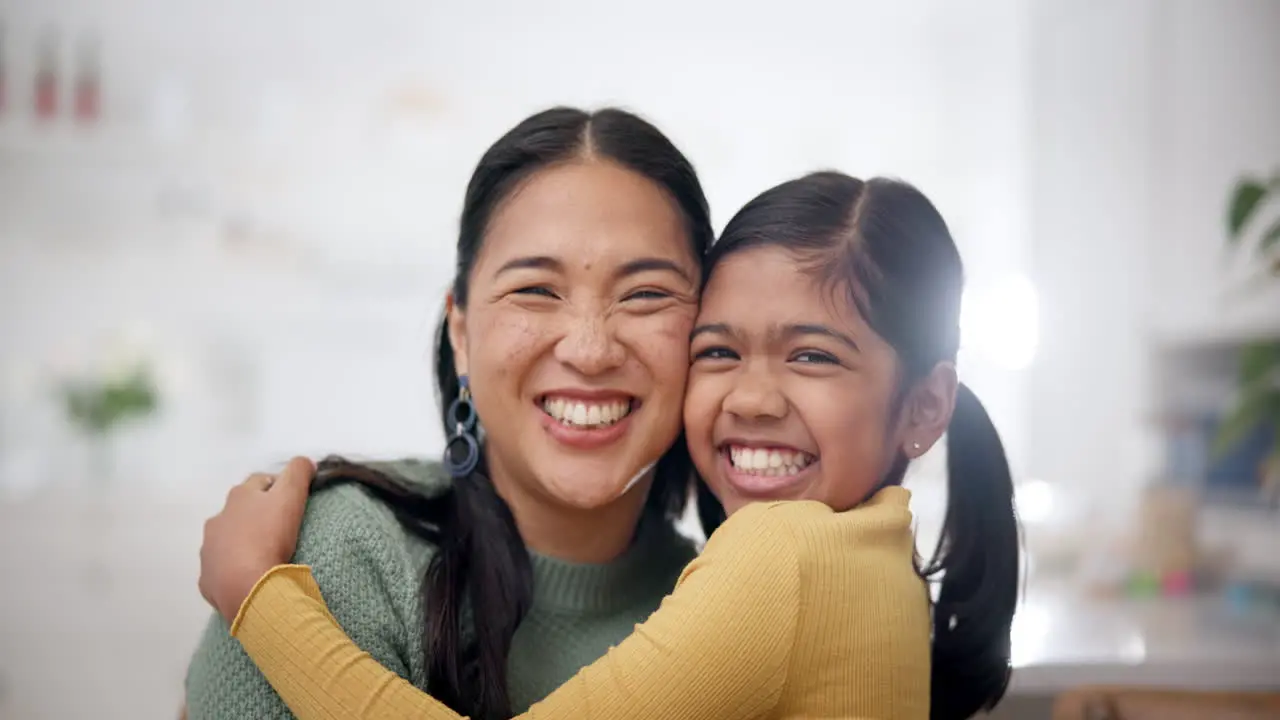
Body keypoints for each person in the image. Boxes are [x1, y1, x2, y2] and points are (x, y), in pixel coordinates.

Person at [197, 172, 1022, 720]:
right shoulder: (879, 562)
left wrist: (258, 598)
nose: (755, 397)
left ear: (923, 405)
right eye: (719, 350)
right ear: (459, 324)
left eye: (813, 355)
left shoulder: (785, 560)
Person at [183, 105, 720, 720]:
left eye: (646, 294)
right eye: (535, 290)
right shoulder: (337, 557)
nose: (591, 349)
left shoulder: (725, 609)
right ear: (461, 334)